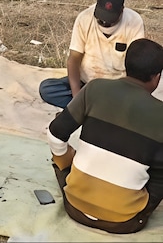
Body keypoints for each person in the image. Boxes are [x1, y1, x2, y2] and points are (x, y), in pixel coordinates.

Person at [48, 38, 163, 234]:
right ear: (156, 77)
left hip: (75, 208)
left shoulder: (94, 88)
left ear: (126, 66)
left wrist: (64, 161)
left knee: (68, 154)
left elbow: (55, 134)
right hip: (124, 222)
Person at [39, 0, 144, 108]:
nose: (104, 23)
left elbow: (136, 65)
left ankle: (95, 109)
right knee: (47, 89)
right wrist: (77, 99)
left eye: (110, 21)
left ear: (122, 11)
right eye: (100, 19)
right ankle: (95, 109)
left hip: (117, 87)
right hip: (87, 84)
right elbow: (73, 60)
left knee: (138, 101)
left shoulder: (134, 21)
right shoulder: (84, 18)